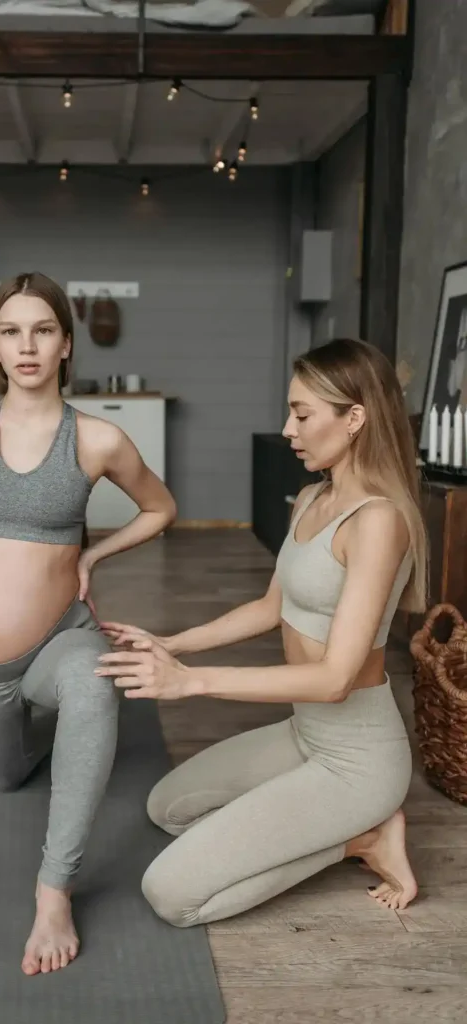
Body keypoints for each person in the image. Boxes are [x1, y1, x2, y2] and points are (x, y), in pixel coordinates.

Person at [97, 337, 425, 927]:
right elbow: (271, 607)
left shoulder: (379, 521)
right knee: (166, 808)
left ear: (355, 418)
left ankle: (364, 839)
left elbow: (333, 680)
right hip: (306, 734)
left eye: (302, 414)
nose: (289, 429)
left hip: (356, 760)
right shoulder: (309, 498)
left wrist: (189, 683)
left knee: (170, 895)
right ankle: (327, 823)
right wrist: (172, 644)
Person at [0, 272, 176, 974]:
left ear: (66, 344)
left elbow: (161, 508)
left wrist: (92, 556)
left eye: (42, 329)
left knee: (93, 681)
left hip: (57, 637)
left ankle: (53, 891)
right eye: (11, 332)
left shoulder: (97, 439)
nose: (27, 344)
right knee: (6, 777)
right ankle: (55, 738)